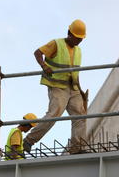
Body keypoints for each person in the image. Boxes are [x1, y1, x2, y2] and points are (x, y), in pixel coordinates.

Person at [23, 19, 88, 154]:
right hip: (58, 86)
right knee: (54, 115)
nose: (78, 41)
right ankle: (29, 140)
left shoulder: (78, 51)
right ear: (69, 33)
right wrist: (44, 66)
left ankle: (77, 148)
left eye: (80, 39)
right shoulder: (57, 44)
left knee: (80, 116)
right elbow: (37, 52)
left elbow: (74, 72)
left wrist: (80, 91)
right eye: (77, 38)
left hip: (73, 88)